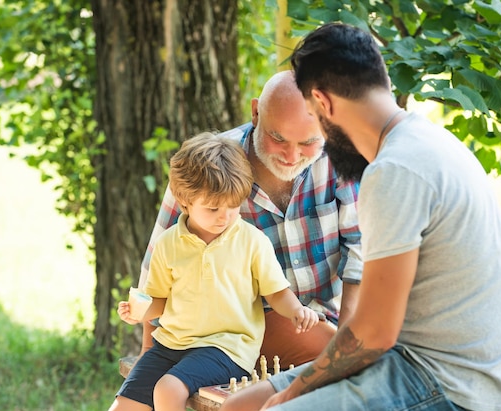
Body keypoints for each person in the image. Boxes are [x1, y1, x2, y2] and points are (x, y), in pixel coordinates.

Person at [217, 23, 501, 411]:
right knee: (240, 407)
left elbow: (375, 333)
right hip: (407, 360)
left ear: (322, 104)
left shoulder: (395, 170)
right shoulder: (421, 142)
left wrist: (292, 396)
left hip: (449, 384)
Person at [137, 70, 363, 368]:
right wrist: (147, 356)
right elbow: (158, 263)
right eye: (278, 138)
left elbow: (360, 250)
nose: (292, 156)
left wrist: (345, 345)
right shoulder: (211, 166)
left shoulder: (341, 156)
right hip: (233, 329)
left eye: (308, 142)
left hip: (327, 319)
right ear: (256, 113)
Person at [106, 132, 320, 411]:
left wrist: (296, 310)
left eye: (234, 206)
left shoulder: (252, 241)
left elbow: (276, 291)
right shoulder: (168, 244)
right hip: (171, 343)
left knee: (168, 390)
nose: (225, 216)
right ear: (185, 203)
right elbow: (159, 301)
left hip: (227, 347)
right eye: (213, 208)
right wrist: (139, 312)